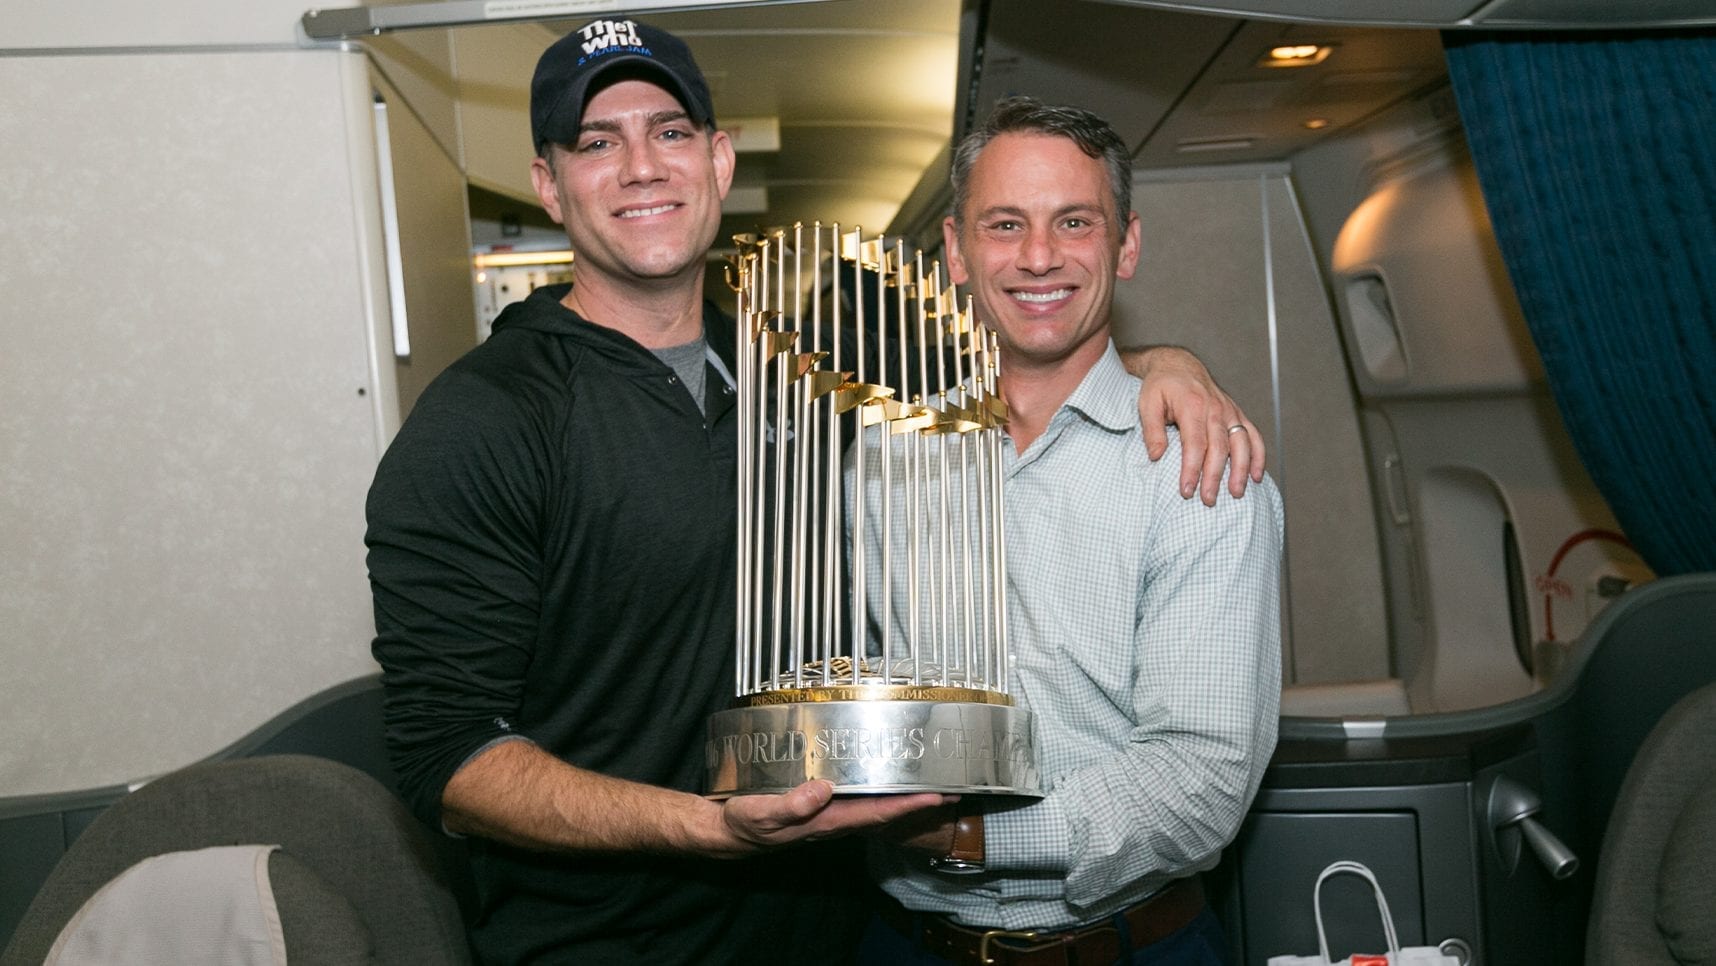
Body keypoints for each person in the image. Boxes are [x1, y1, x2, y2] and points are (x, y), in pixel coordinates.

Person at [365, 19, 1264, 965]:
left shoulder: (804, 391)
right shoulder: (482, 419)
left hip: (835, 932)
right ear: (549, 182)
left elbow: (1039, 357)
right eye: (598, 142)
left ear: (717, 160)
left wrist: (1164, 364)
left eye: (669, 132)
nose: (641, 167)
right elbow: (446, 756)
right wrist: (709, 827)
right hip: (614, 943)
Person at [853, 96, 1285, 966]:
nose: (1039, 256)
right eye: (1005, 224)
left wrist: (970, 838)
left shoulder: (1199, 468)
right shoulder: (879, 459)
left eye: (1074, 222)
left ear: (1125, 246)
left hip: (1124, 947)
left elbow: (1200, 777)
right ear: (955, 251)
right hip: (902, 945)